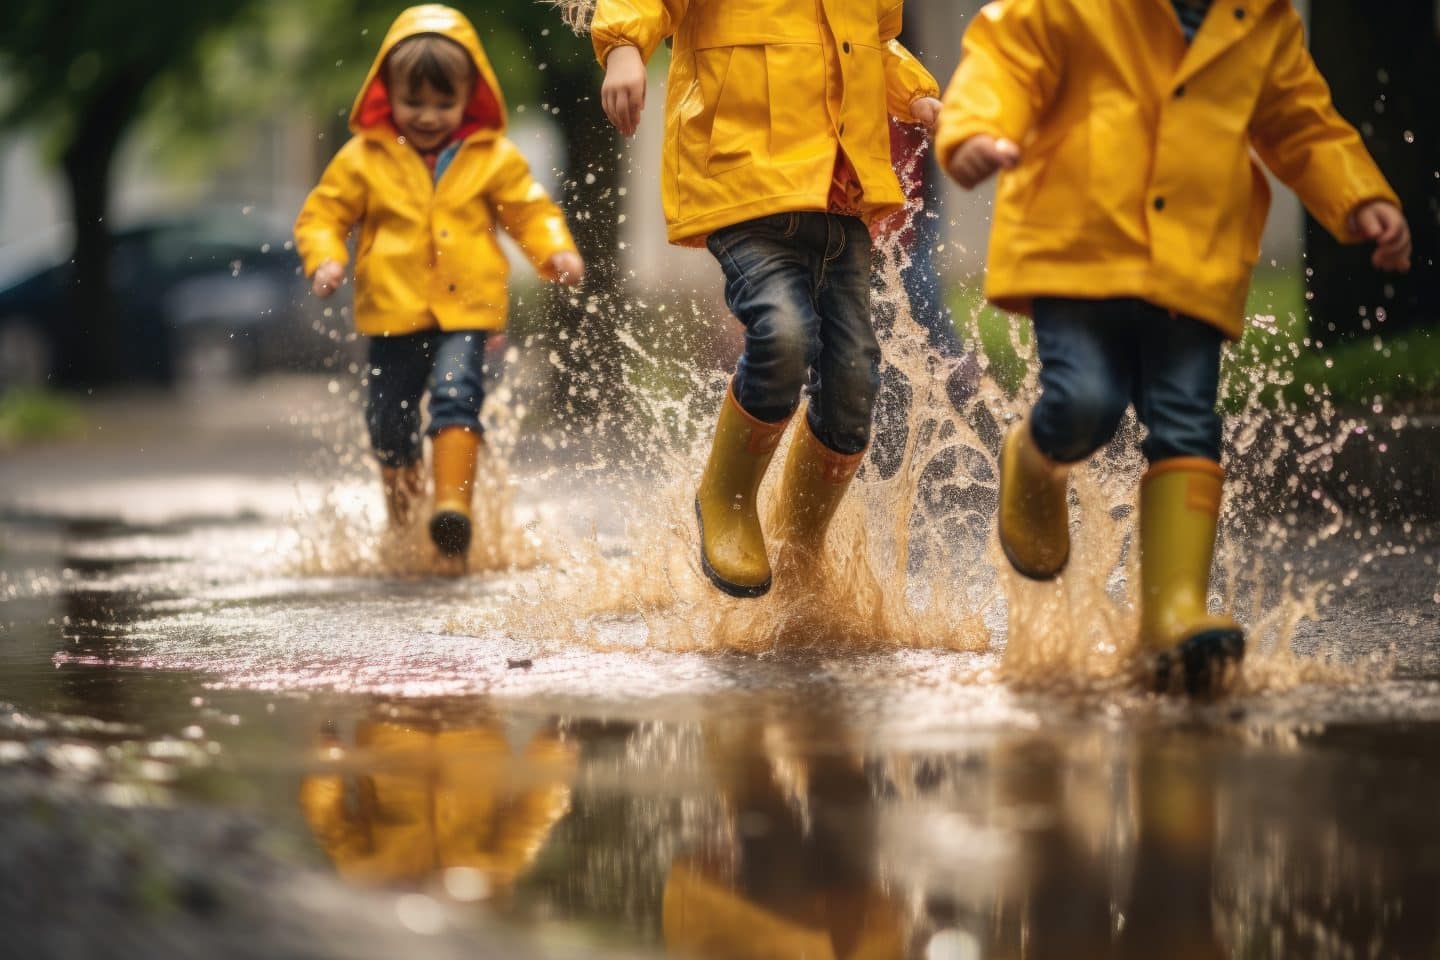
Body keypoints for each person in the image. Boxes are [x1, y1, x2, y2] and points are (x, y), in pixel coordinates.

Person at [937, 0, 1411, 693]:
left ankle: (1171, 612)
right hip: (1077, 246)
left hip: (1194, 260)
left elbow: (1301, 120)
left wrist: (1357, 194)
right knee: (1085, 402)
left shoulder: (1260, 19)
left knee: (1187, 422)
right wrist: (976, 129)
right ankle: (1035, 459)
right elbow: (1005, 57)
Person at [592, 0, 942, 598]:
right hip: (746, 187)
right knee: (784, 333)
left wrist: (916, 96)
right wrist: (624, 45)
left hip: (840, 200)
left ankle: (800, 540)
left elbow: (871, 47)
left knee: (855, 376)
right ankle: (725, 498)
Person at [296, 5, 583, 559]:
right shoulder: (363, 157)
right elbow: (323, 216)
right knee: (388, 423)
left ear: (469, 97)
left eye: (443, 102)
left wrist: (555, 251)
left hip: (466, 311)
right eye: (414, 101)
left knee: (457, 396)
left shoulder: (491, 156)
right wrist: (326, 260)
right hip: (392, 311)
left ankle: (453, 509)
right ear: (387, 94)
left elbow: (529, 211)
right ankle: (406, 527)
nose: (428, 115)